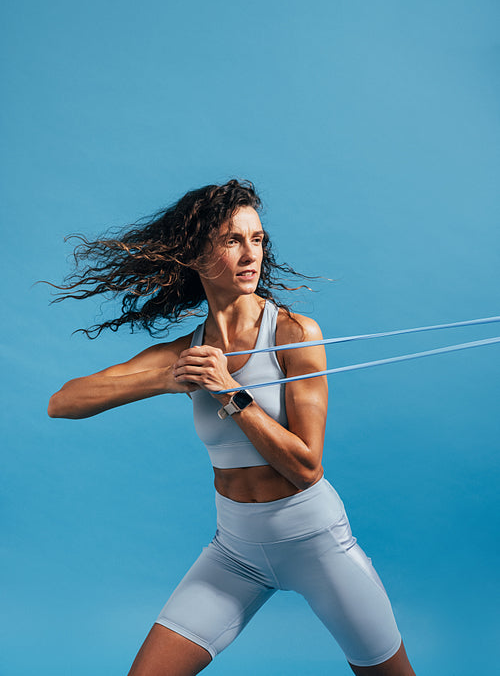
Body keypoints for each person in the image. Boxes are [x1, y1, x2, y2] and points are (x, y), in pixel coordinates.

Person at [48, 179, 416, 676]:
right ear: (195, 256)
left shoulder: (292, 333)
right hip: (235, 551)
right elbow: (62, 402)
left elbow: (307, 466)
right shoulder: (186, 352)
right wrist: (164, 377)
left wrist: (230, 391)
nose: (251, 254)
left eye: (258, 239)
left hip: (315, 542)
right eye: (232, 240)